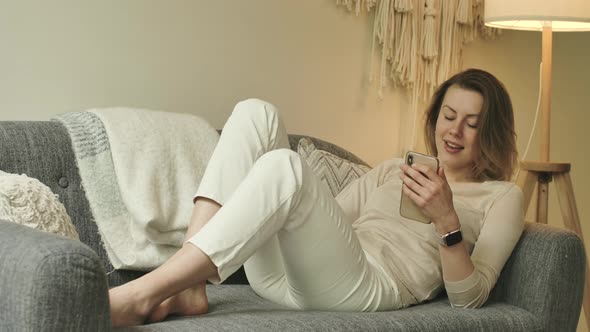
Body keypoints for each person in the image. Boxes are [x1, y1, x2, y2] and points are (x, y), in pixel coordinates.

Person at [109, 68, 524, 327]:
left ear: (491, 133)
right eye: (449, 117)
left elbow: (470, 300)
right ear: (436, 119)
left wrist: (446, 221)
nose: (454, 131)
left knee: (285, 167)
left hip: (368, 287)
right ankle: (190, 285)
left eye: (472, 124)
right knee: (258, 113)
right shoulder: (390, 170)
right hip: (301, 278)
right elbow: (327, 222)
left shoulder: (502, 196)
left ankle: (144, 291)